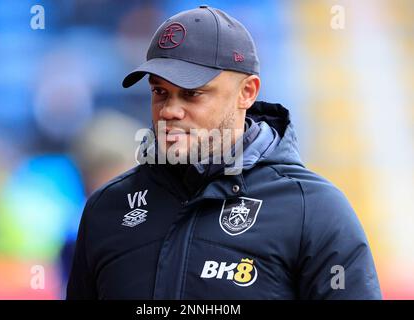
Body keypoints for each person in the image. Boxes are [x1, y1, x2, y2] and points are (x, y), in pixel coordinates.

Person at [67, 5, 381, 299]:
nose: (169, 110)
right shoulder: (106, 209)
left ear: (247, 92)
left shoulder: (313, 211)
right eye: (160, 91)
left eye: (192, 93)